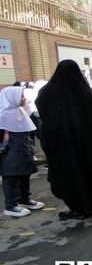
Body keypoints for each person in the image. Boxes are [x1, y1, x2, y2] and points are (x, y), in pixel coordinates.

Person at [35, 59, 92, 219]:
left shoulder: (49, 92)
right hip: (88, 147)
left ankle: (79, 207)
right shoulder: (87, 94)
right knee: (89, 173)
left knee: (70, 177)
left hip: (63, 147)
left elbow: (41, 110)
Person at [0, 86, 44, 217]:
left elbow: (27, 131)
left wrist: (30, 146)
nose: (24, 99)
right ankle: (11, 204)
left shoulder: (20, 112)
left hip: (23, 150)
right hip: (9, 152)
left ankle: (24, 199)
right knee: (11, 178)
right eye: (21, 96)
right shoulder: (2, 115)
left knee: (25, 175)